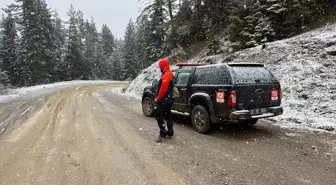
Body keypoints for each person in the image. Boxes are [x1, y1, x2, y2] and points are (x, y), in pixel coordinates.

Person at [154, 59, 175, 143]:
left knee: (158, 115)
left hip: (164, 100)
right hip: (169, 99)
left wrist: (158, 98)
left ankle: (163, 133)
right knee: (168, 115)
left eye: (160, 67)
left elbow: (163, 89)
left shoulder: (166, 75)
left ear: (162, 67)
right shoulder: (170, 73)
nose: (160, 68)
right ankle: (170, 133)